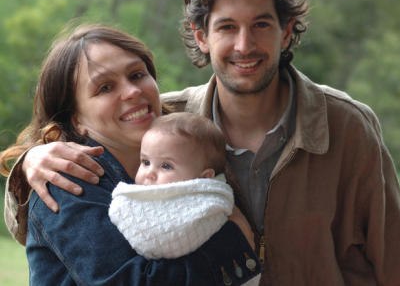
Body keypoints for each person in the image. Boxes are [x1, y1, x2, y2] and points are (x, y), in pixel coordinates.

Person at [3, 0, 400, 285]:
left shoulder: (346, 126)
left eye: (261, 24)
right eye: (227, 27)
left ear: (287, 31)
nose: (245, 45)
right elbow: (59, 186)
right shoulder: (169, 124)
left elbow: (398, 264)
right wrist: (29, 164)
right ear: (201, 36)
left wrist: (30, 160)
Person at [0, 23, 260, 285]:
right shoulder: (68, 185)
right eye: (105, 88)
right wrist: (234, 245)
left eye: (136, 75)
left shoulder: (191, 145)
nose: (133, 91)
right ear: (76, 120)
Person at [109, 112, 261, 285]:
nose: (149, 173)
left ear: (203, 179)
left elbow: (159, 241)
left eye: (166, 166)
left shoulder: (208, 205)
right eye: (145, 162)